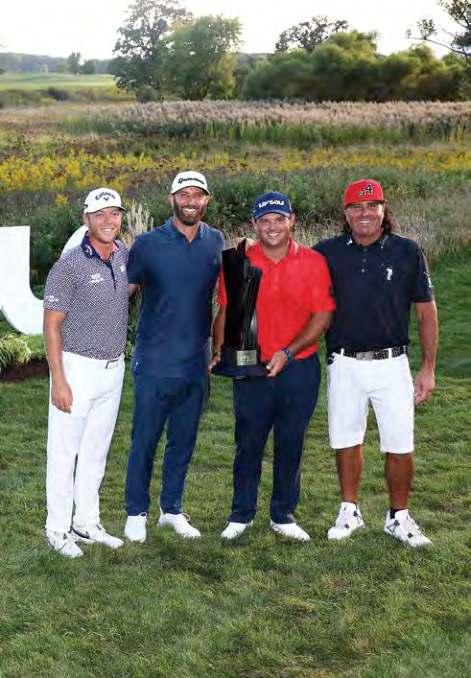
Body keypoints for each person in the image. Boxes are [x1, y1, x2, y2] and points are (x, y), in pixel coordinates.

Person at [314, 179, 438, 548]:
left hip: (392, 363)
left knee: (399, 442)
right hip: (344, 362)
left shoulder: (407, 251)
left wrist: (428, 368)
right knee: (346, 439)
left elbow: (426, 313)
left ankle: (398, 516)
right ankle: (349, 511)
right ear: (346, 213)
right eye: (356, 207)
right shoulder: (326, 253)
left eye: (372, 206)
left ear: (384, 210)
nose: (364, 213)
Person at [212, 191, 335, 541]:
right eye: (264, 221)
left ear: (291, 220)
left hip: (299, 367)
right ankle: (241, 514)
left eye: (279, 219)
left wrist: (289, 352)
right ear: (254, 224)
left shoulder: (313, 261)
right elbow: (226, 310)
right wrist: (219, 348)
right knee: (248, 442)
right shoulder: (239, 261)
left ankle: (283, 515)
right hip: (252, 368)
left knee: (291, 442)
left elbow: (322, 315)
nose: (272, 227)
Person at [124, 171, 224, 542]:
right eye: (184, 195)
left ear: (206, 200)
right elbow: (123, 293)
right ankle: (136, 512)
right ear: (171, 200)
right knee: (145, 441)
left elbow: (226, 298)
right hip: (154, 361)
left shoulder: (216, 241)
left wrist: (219, 346)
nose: (191, 201)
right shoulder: (147, 244)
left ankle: (172, 510)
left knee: (183, 441)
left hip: (195, 363)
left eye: (198, 195)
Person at [43, 187, 128, 558]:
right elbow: (51, 325)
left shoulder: (123, 254)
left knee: (96, 450)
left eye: (114, 213)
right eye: (100, 214)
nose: (108, 221)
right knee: (65, 452)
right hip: (76, 369)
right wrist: (59, 380)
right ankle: (57, 528)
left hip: (113, 368)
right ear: (86, 219)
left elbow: (124, 291)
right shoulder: (69, 264)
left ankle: (86, 522)